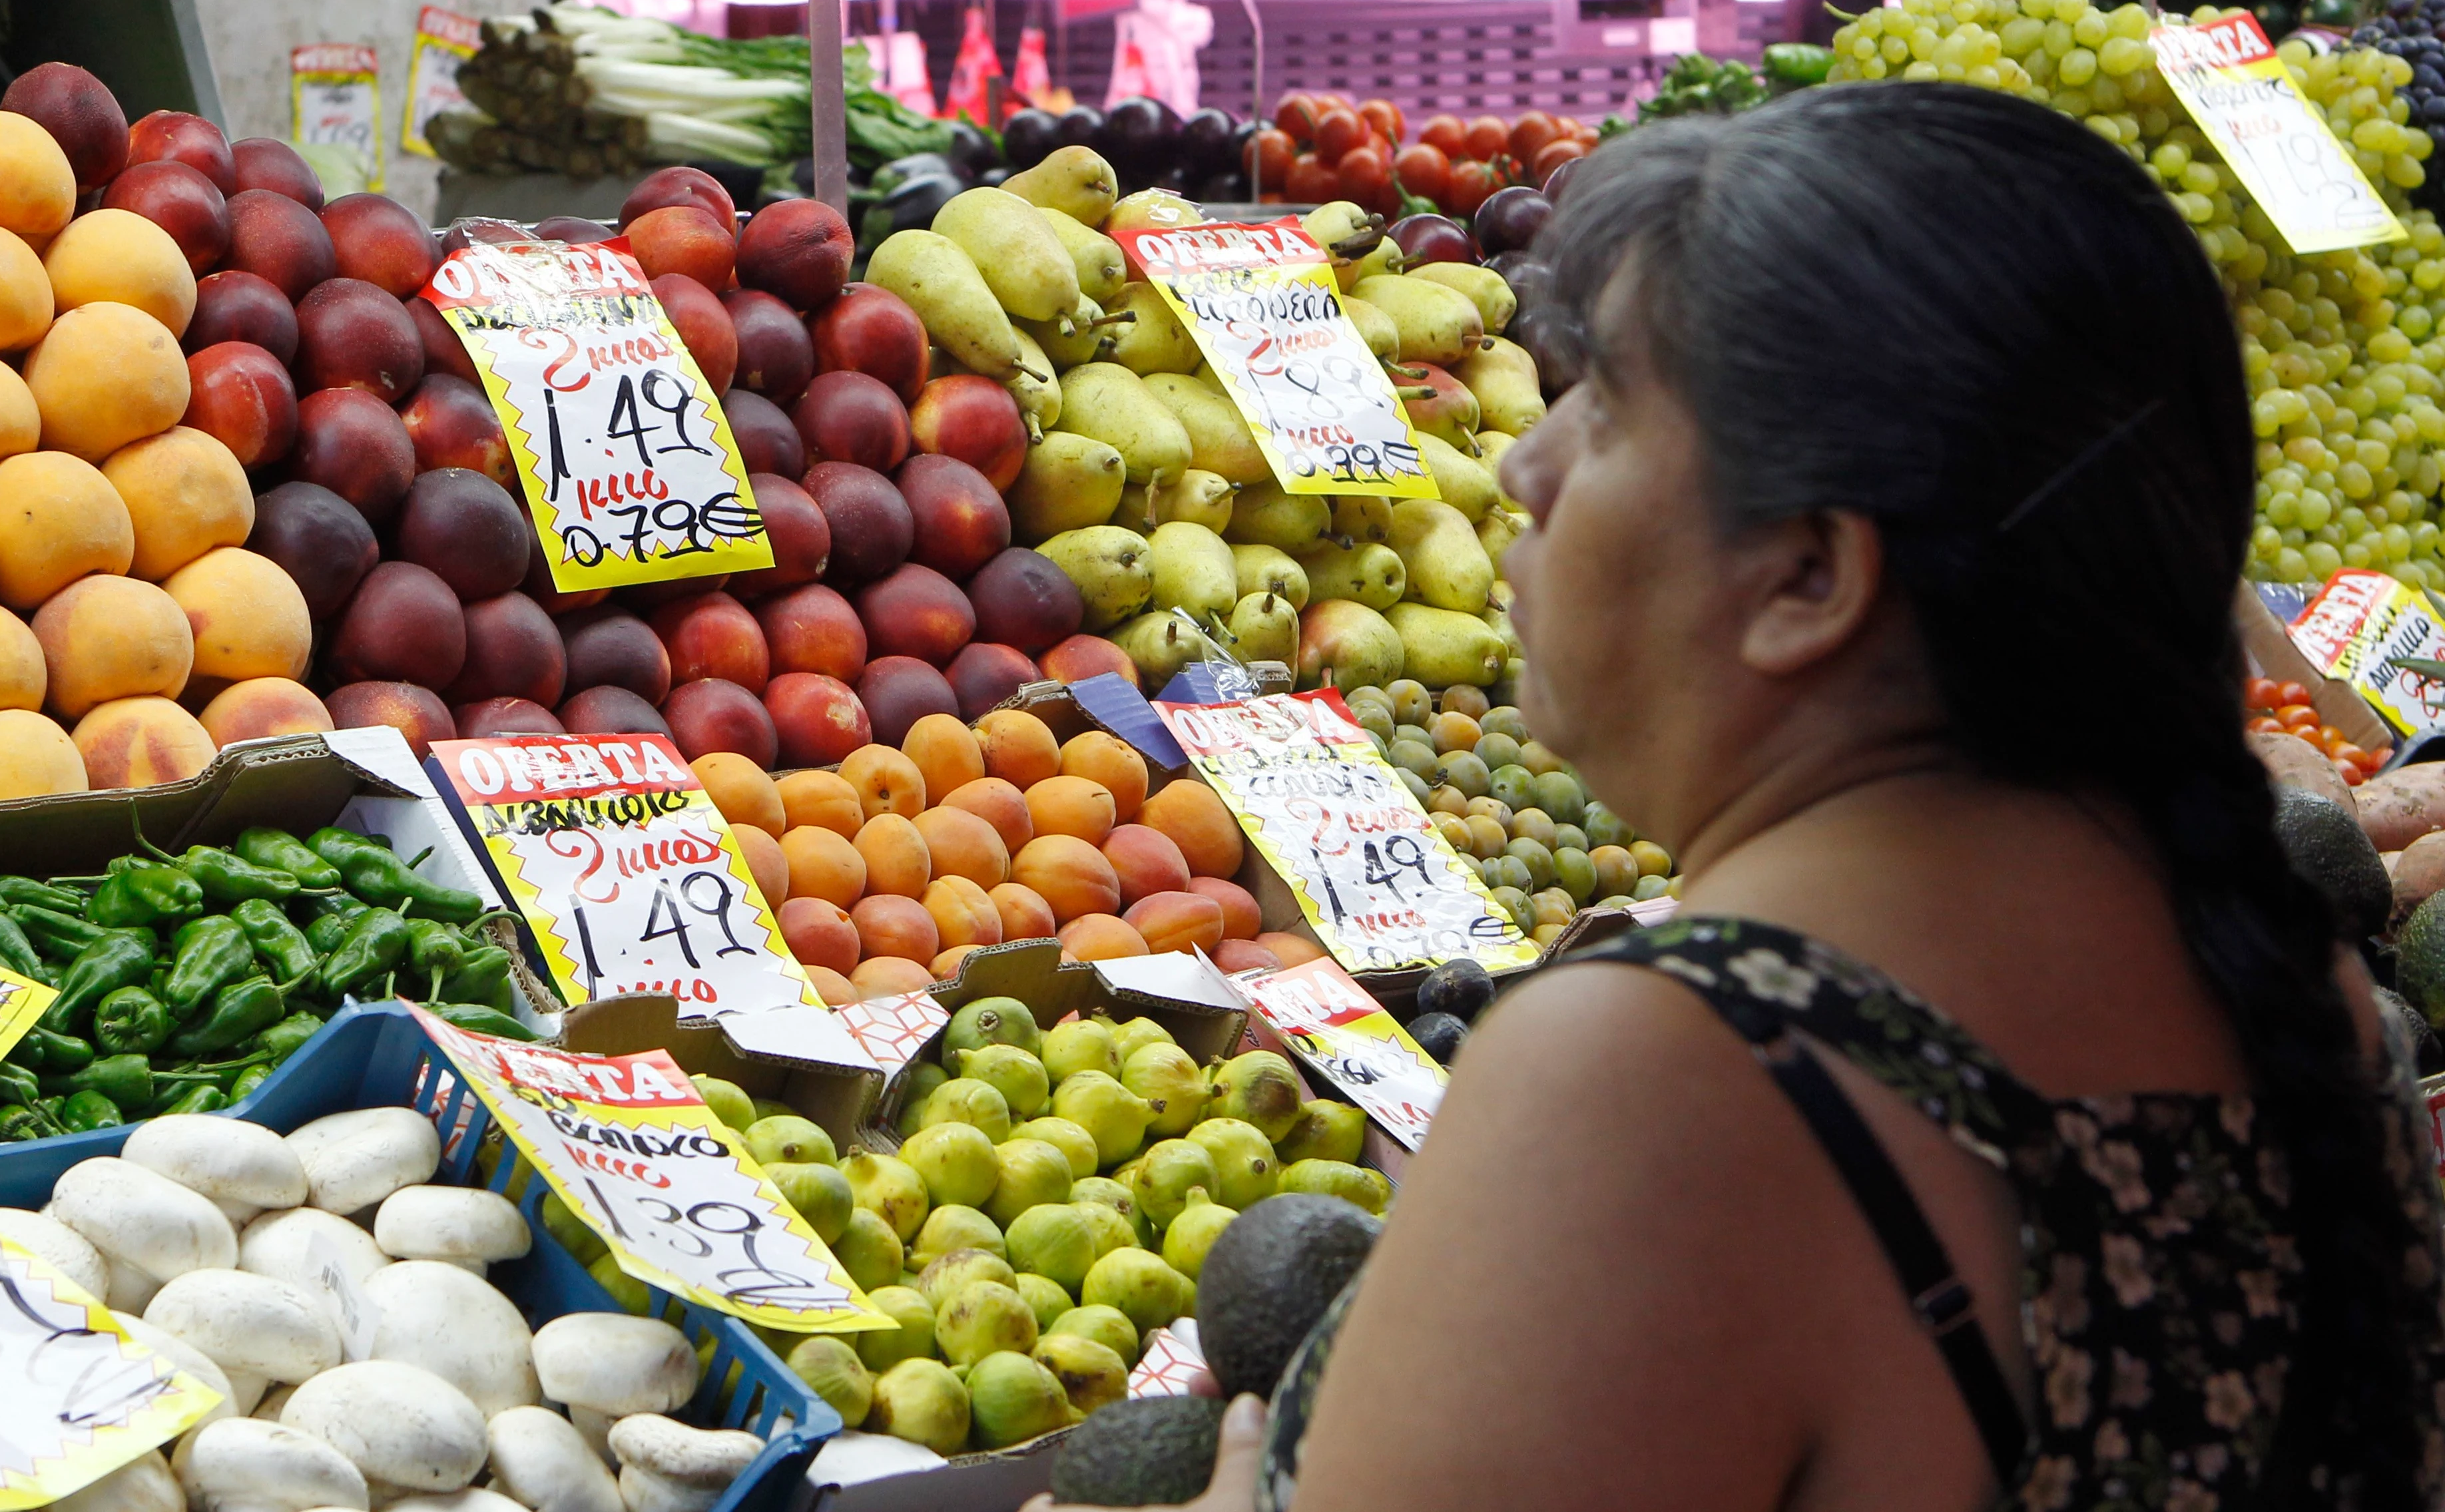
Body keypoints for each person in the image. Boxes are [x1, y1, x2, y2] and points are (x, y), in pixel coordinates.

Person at [1038, 83, 2445, 1512]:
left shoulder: (1663, 1075)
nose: (1524, 462)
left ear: (1810, 578)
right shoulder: (2288, 993)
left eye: (1606, 409)